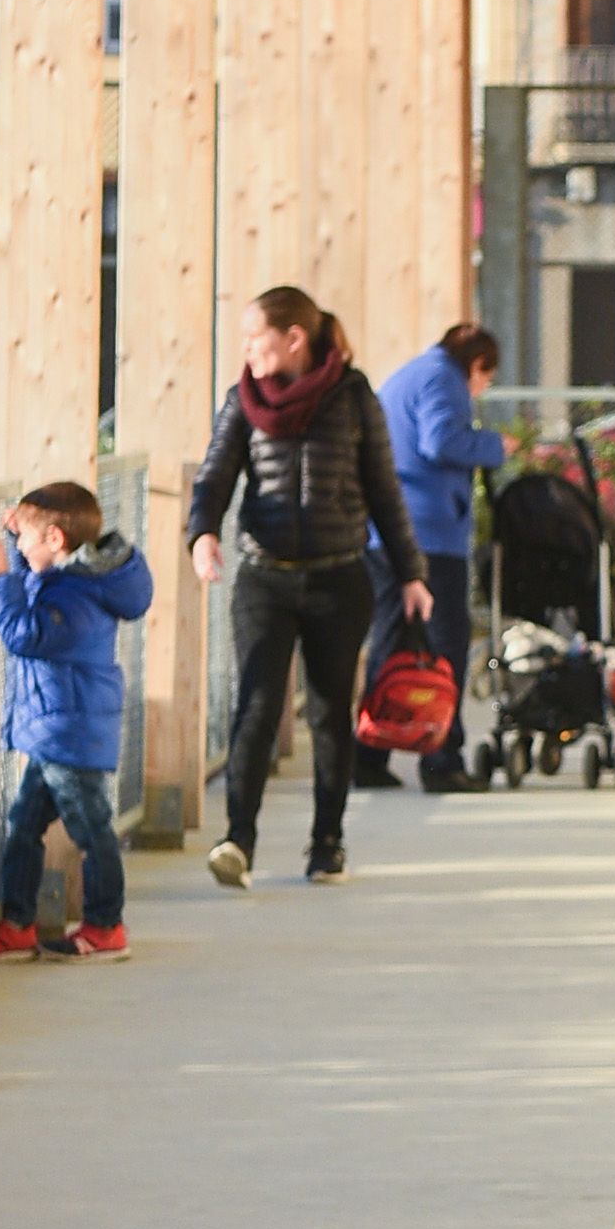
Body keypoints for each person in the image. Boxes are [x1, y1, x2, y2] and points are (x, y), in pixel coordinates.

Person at [187, 288, 428, 892]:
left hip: (339, 577)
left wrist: (411, 574)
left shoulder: (352, 397)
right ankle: (237, 841)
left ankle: (327, 845)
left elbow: (384, 492)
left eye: (254, 338)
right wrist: (202, 534)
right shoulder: (240, 401)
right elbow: (214, 474)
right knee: (258, 707)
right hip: (265, 576)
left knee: (328, 713)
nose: (244, 350)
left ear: (294, 337)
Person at [0, 480, 155, 963]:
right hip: (54, 732)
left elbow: (24, 633)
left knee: (91, 830)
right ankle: (18, 924)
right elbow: (36, 587)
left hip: (68, 736)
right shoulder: (68, 581)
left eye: (25, 539)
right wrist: (18, 560)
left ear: (56, 541)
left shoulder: (75, 598)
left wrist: (1, 578)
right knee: (23, 826)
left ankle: (105, 926)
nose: (18, 546)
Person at [355, 320, 504, 794]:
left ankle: (369, 753)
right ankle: (442, 758)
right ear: (476, 366)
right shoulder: (444, 379)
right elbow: (440, 441)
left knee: (392, 640)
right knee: (445, 643)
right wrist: (493, 446)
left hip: (387, 532)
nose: (482, 391)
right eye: (486, 378)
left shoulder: (413, 373)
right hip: (430, 536)